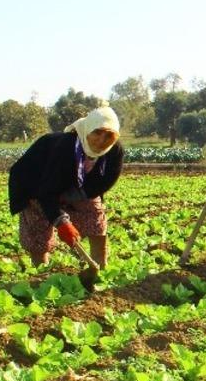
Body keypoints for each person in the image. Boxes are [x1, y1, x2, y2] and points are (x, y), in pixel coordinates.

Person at [8, 105, 123, 269]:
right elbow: (46, 192)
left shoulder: (114, 150)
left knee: (95, 217)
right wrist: (61, 222)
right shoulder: (65, 146)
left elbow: (104, 182)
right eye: (97, 132)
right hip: (36, 183)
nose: (102, 140)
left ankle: (99, 268)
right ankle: (41, 270)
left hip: (80, 187)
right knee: (38, 226)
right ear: (88, 129)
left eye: (109, 135)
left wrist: (76, 196)